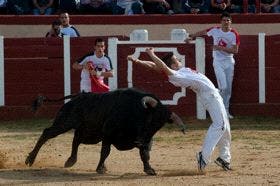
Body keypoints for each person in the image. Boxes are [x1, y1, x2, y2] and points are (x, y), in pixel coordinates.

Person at [127, 48, 232, 172]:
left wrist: (137, 60)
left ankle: (224, 158)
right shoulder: (176, 75)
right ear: (172, 65)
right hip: (210, 96)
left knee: (225, 127)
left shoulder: (181, 71)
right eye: (176, 60)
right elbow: (162, 67)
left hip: (213, 95)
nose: (178, 60)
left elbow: (154, 66)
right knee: (220, 125)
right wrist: (151, 54)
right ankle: (203, 156)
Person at [188, 12, 240, 119]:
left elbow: (235, 50)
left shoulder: (234, 34)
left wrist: (220, 48)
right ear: (221, 22)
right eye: (224, 20)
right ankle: (217, 108)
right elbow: (203, 32)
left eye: (228, 20)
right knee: (223, 87)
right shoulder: (215, 30)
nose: (226, 22)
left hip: (229, 62)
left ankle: (225, 110)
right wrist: (192, 36)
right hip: (218, 62)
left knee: (228, 89)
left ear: (231, 22)